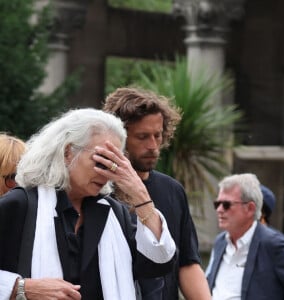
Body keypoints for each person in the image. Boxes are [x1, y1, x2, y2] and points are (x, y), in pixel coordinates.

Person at [0, 108, 177, 300]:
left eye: (114, 163)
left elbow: (159, 263)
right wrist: (21, 287)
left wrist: (141, 195)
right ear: (68, 152)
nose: (107, 172)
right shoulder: (21, 205)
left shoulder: (114, 213)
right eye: (101, 161)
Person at [103, 87, 211, 300]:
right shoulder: (98, 190)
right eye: (142, 137)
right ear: (118, 138)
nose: (153, 146)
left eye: (158, 135)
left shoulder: (173, 190)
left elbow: (187, 264)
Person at [206, 173, 284, 300]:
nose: (219, 210)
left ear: (250, 208)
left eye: (226, 205)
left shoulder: (273, 244)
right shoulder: (220, 242)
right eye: (217, 204)